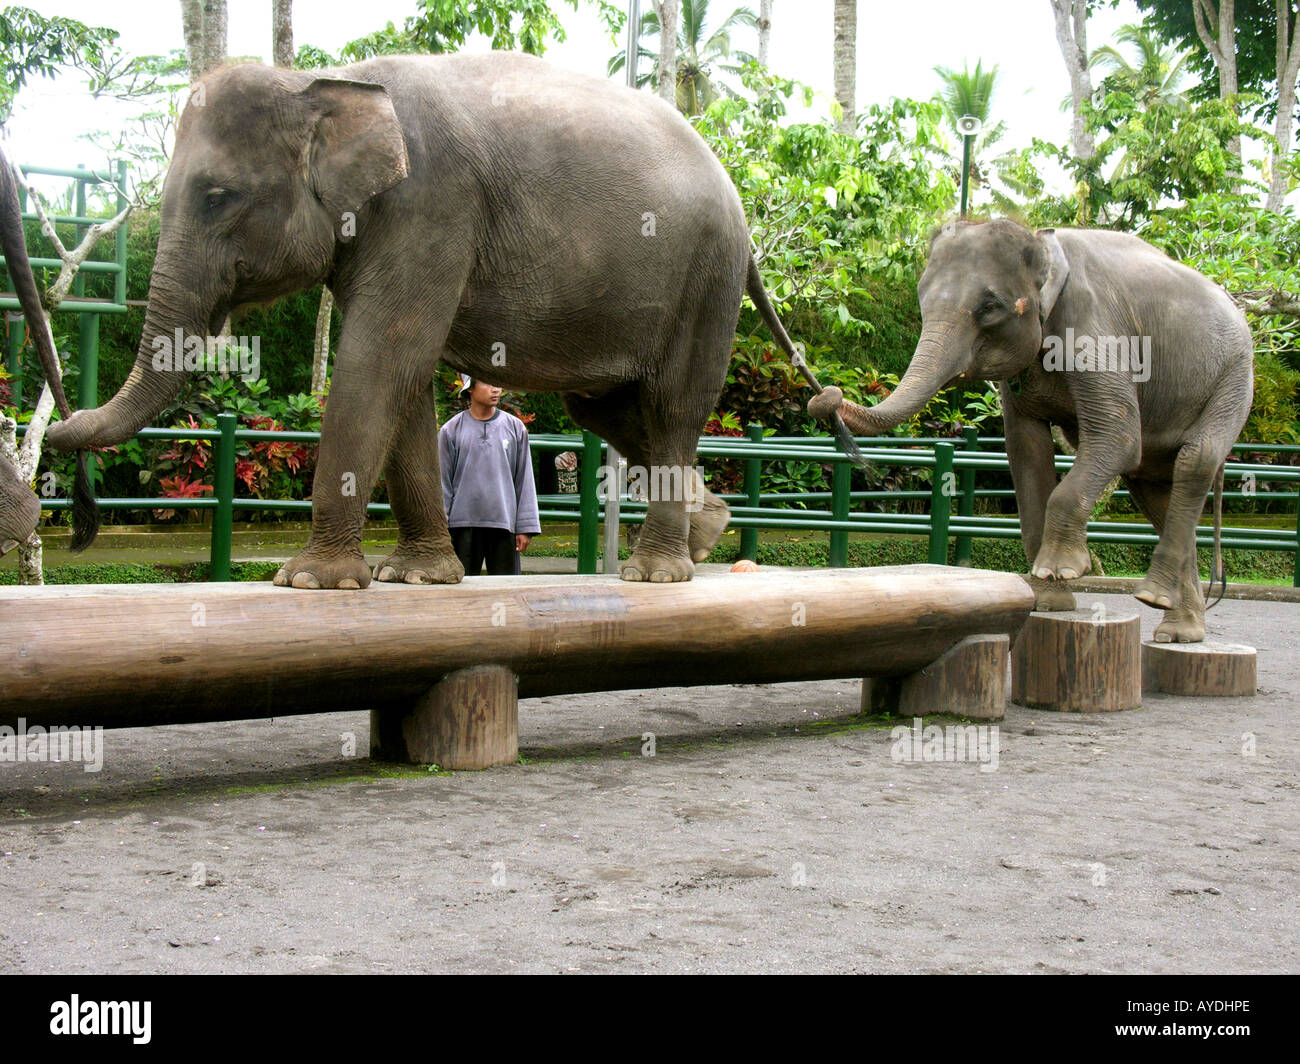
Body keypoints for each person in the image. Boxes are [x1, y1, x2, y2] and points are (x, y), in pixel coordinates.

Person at [439, 375, 541, 575]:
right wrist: (442, 527)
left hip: (504, 524)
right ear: (470, 388)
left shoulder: (515, 428)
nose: (496, 389)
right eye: (488, 383)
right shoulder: (451, 430)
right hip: (462, 526)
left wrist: (525, 527)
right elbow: (443, 482)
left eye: (498, 382)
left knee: (506, 592)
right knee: (460, 591)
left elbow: (524, 479)